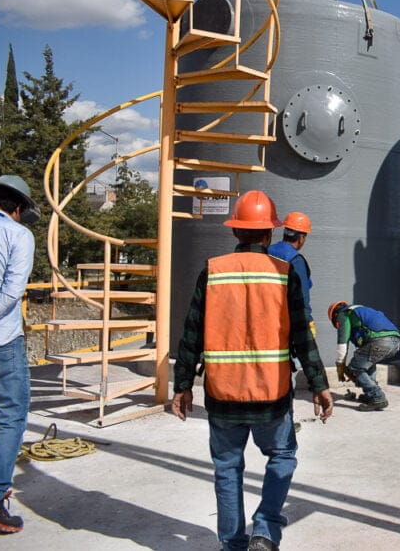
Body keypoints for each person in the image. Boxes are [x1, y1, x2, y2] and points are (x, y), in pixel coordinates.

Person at [172, 190, 333, 551]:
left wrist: (182, 386)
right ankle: (265, 528)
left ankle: (232, 544)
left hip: (222, 393)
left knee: (227, 469)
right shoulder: (284, 273)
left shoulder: (212, 271)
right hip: (271, 394)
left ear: (235, 232)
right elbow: (301, 339)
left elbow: (191, 332)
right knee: (282, 456)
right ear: (269, 233)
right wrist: (320, 385)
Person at [0, 175, 38, 534]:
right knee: (10, 416)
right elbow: (11, 292)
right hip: (0, 341)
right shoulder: (18, 235)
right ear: (18, 208)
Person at [328, 301, 400, 411]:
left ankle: (377, 396)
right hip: (395, 342)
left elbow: (342, 343)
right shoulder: (362, 311)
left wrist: (340, 365)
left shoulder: (343, 315)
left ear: (334, 316)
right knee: (366, 363)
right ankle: (370, 395)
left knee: (355, 368)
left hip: (380, 341)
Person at [268, 211, 314, 334]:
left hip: (264, 316)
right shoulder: (296, 260)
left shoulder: (266, 251)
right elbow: (302, 297)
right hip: (284, 322)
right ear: (301, 238)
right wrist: (308, 322)